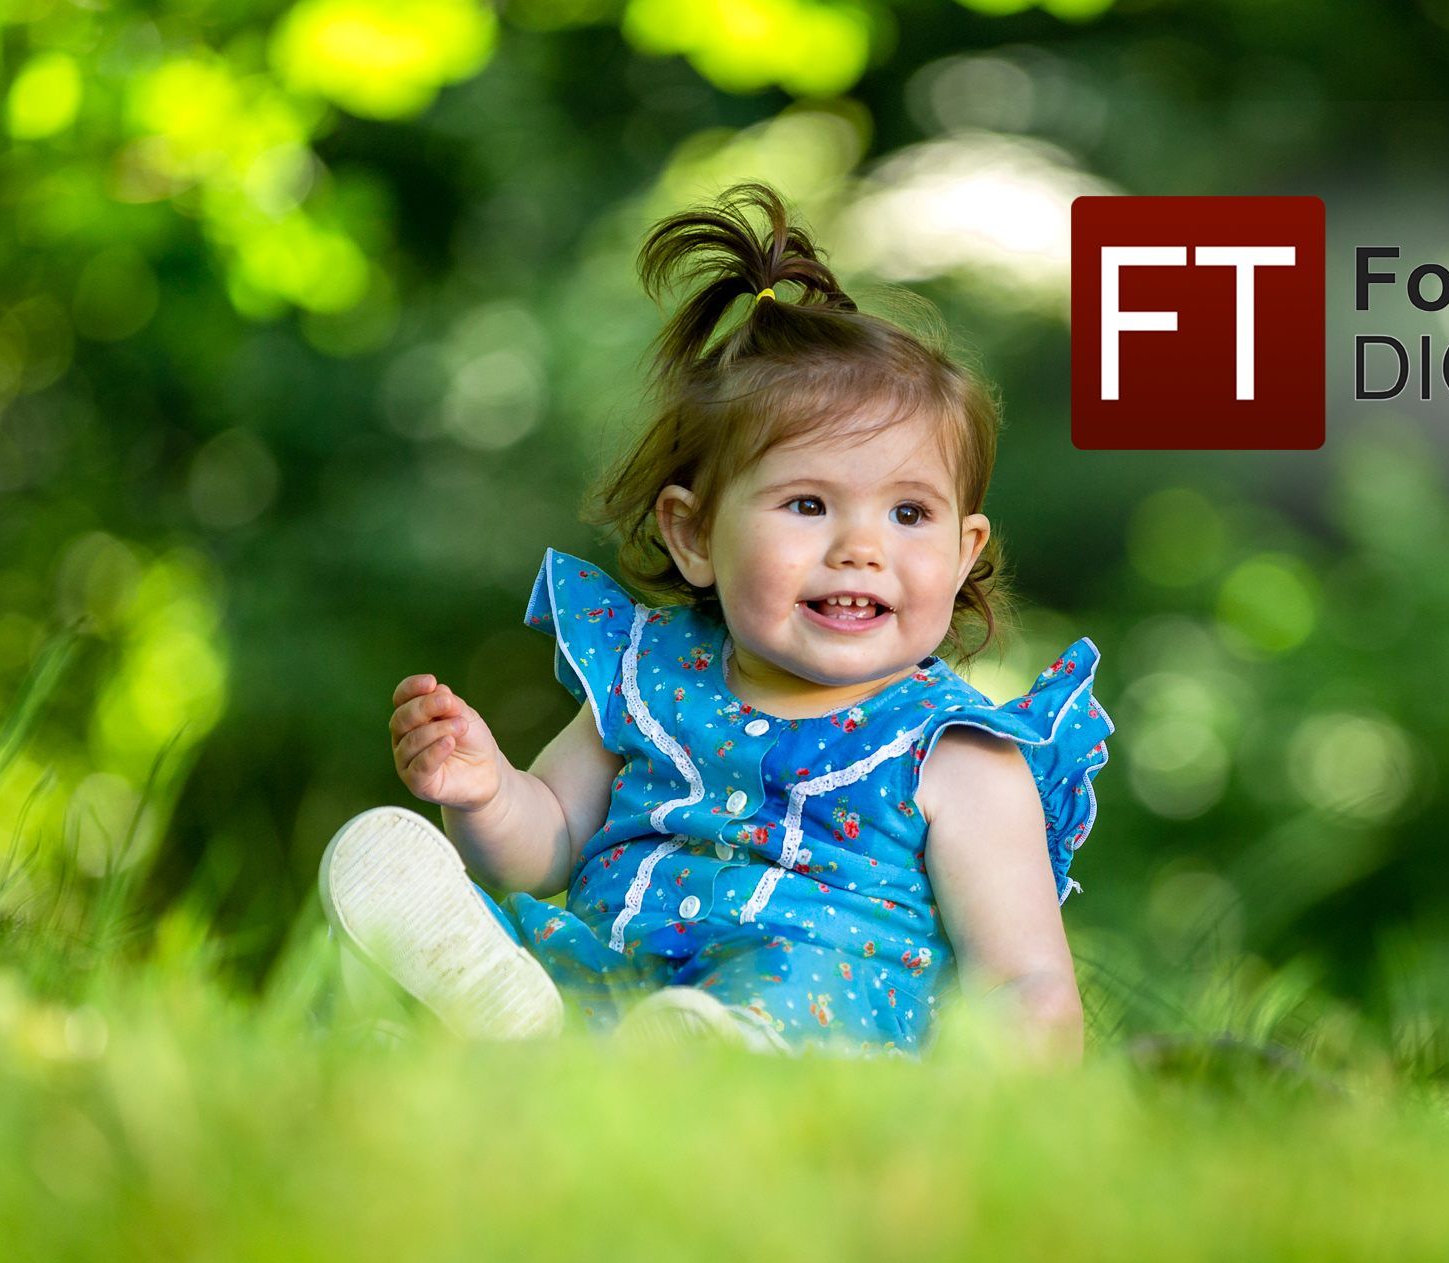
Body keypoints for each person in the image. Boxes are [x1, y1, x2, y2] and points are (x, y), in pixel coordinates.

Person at [320, 182, 1113, 1065]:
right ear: (694, 535)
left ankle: (718, 1054)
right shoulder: (648, 679)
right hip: (617, 973)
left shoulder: (957, 752)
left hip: (818, 1028)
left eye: (908, 514)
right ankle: (513, 1025)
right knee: (526, 930)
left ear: (965, 553)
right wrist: (484, 790)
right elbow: (543, 844)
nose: (860, 548)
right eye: (808, 504)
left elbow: (1025, 983)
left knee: (786, 980)